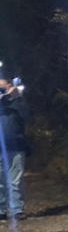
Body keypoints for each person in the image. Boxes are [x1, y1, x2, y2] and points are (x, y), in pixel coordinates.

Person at [0, 77, 29, 221]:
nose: (2, 92)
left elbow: (27, 116)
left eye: (4, 88)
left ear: (10, 87)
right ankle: (1, 209)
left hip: (16, 146)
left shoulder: (17, 102)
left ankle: (17, 209)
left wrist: (16, 97)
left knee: (14, 180)